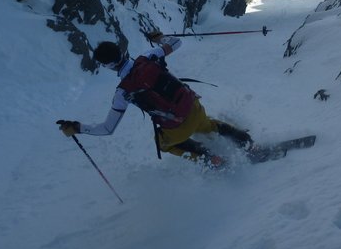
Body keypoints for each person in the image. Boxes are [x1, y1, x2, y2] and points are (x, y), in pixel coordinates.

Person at [57, 32, 252, 169]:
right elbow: (176, 42)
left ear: (107, 65)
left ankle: (213, 160)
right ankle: (248, 143)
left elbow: (107, 129)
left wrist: (77, 127)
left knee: (163, 144)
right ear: (121, 51)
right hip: (194, 106)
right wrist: (160, 38)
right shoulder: (148, 57)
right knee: (209, 125)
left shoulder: (122, 92)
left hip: (176, 126)